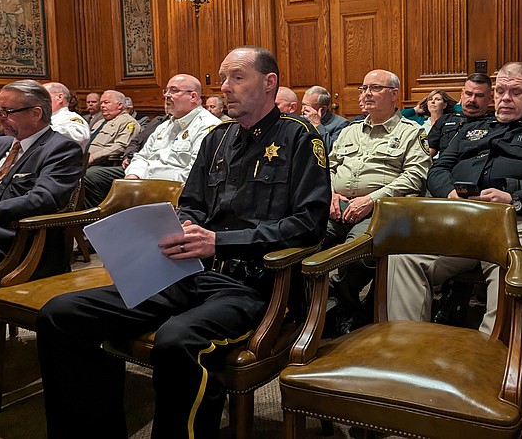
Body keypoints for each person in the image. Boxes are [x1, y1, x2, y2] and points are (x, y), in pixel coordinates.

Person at [37, 46, 331, 439]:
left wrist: (220, 243)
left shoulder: (300, 138)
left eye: (237, 78)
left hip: (256, 285)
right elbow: (191, 203)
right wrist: (180, 225)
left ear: (269, 83)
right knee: (61, 313)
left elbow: (308, 226)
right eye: (222, 78)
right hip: (187, 272)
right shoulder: (218, 139)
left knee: (178, 341)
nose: (225, 87)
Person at [387, 62, 522, 338]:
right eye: (500, 91)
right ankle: (408, 353)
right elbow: (439, 167)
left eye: (515, 92)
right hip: (464, 217)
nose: (505, 98)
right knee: (404, 257)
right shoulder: (471, 130)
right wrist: (450, 193)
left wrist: (515, 198)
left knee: (515, 283)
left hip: (521, 222)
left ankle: (494, 367)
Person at [327, 69, 431, 332]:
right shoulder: (349, 131)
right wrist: (329, 193)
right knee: (298, 238)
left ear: (394, 95)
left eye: (374, 88)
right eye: (363, 89)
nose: (366, 94)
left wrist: (371, 200)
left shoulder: (411, 132)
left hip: (380, 211)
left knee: (354, 254)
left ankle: (348, 310)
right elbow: (327, 167)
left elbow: (416, 176)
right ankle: (314, 308)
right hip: (335, 207)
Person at [0, 80, 83, 277]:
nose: (0, 118)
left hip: (11, 236)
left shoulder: (61, 149)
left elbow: (43, 199)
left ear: (35, 113)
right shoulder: (0, 143)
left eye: (7, 111)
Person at [83, 75, 220, 206]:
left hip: (170, 192)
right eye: (166, 91)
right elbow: (142, 156)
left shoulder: (207, 126)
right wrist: (133, 175)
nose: (167, 95)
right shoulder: (165, 126)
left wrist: (146, 188)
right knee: (93, 178)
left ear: (193, 96)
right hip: (143, 184)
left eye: (173, 91)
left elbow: (193, 174)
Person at [427, 72, 493, 157]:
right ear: (462, 94)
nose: (472, 100)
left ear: (489, 99)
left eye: (479, 95)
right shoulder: (445, 120)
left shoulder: (495, 124)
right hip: (443, 167)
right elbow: (427, 153)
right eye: (468, 94)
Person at [86, 90, 138, 167]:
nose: (102, 106)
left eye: (106, 102)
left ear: (120, 105)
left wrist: (93, 157)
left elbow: (121, 147)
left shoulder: (128, 122)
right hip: (82, 161)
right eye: (101, 103)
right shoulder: (99, 122)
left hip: (101, 163)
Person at [300, 85, 349, 153]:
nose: (302, 110)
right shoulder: (301, 120)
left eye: (307, 106)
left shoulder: (341, 124)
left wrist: (317, 125)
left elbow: (332, 151)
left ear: (323, 109)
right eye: (302, 105)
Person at [42, 82, 90, 149]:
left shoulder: (71, 118)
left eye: (42, 97)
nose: (38, 101)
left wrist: (40, 130)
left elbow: (80, 136)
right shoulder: (44, 118)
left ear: (60, 98)